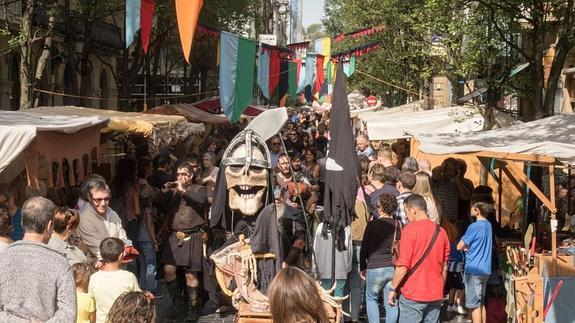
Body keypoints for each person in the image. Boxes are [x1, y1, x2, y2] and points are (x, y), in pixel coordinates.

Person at [0, 197, 77, 322]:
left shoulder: (3, 258)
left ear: (21, 222)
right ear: (49, 226)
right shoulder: (61, 264)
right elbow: (68, 314)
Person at [387, 194, 450, 323]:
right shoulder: (441, 231)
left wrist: (393, 288)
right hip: (435, 293)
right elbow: (444, 266)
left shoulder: (410, 230)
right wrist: (440, 288)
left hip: (414, 292)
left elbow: (403, 265)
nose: (405, 216)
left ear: (413, 210)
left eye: (406, 211)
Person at [158, 163, 208, 321]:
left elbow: (201, 200)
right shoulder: (174, 191)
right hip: (174, 235)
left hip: (192, 235)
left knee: (190, 274)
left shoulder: (199, 189)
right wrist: (163, 192)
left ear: (191, 176)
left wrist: (182, 190)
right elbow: (157, 203)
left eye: (185, 174)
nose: (181, 177)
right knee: (168, 269)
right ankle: (177, 303)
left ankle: (193, 307)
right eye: (179, 174)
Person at [360, 193, 401, 323]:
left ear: (380, 208)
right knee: (391, 300)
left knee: (371, 299)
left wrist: (363, 266)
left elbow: (364, 248)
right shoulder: (399, 225)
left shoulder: (372, 225)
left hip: (375, 267)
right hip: (392, 267)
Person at [89, 237, 142, 323]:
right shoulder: (129, 277)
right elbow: (138, 301)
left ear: (102, 255)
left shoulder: (94, 278)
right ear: (121, 256)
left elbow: (91, 305)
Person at [457, 202, 494, 323]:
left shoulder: (474, 226)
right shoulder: (488, 225)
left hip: (474, 269)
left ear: (477, 211)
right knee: (481, 303)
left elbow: (459, 246)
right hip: (485, 269)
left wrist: (466, 247)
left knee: (474, 305)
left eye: (472, 207)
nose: (470, 209)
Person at [77, 178, 129, 262]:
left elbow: (125, 241)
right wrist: (121, 254)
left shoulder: (112, 214)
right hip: (97, 271)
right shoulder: (83, 217)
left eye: (106, 199)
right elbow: (98, 251)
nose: (103, 203)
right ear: (89, 198)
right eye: (98, 200)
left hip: (118, 265)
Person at [136, 157, 159, 296]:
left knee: (143, 263)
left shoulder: (139, 184)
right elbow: (148, 219)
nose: (152, 168)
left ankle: (144, 288)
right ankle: (150, 290)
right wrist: (154, 238)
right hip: (145, 233)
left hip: (139, 233)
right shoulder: (143, 186)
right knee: (150, 263)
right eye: (150, 166)